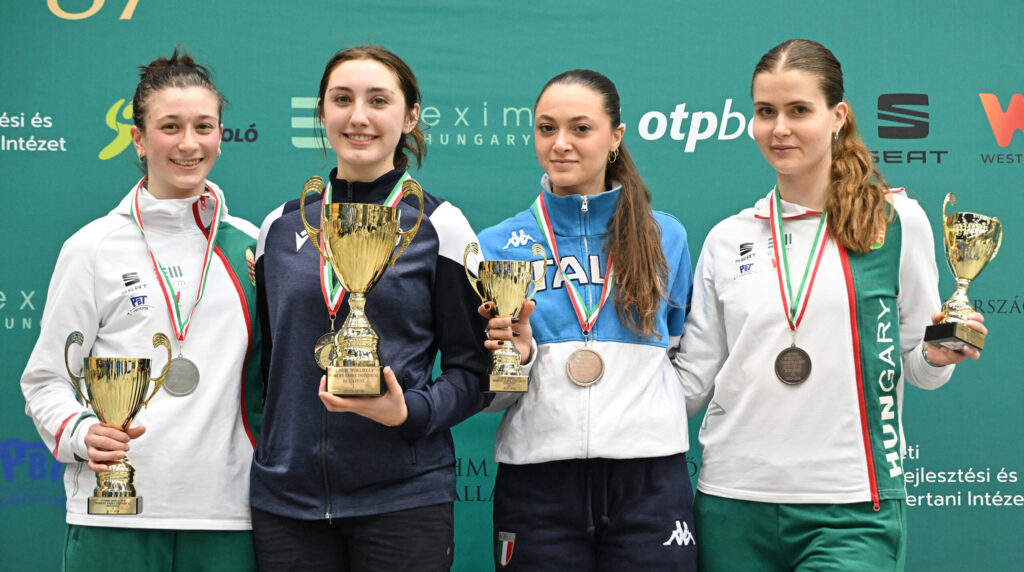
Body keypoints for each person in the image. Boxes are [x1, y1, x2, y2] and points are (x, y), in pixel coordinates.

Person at [677, 39, 987, 572]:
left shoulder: (894, 223)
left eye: (799, 110)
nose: (779, 129)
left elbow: (917, 366)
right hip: (732, 502)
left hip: (852, 509)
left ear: (837, 116)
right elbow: (692, 384)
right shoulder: (729, 238)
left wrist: (939, 355)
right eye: (766, 112)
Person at [21, 49, 262, 571]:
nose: (188, 143)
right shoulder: (93, 248)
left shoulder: (253, 247)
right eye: (169, 127)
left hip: (227, 514)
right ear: (138, 138)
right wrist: (81, 432)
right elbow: (45, 380)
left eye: (203, 127)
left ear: (221, 136)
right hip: (112, 512)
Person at [250, 45, 489, 571]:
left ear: (410, 116)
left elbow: (479, 371)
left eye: (378, 100)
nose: (358, 116)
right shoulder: (280, 228)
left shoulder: (440, 226)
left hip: (403, 499)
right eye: (342, 99)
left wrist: (411, 412)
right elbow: (269, 371)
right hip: (287, 505)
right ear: (322, 113)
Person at [477, 69, 697, 571]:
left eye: (580, 128)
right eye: (546, 128)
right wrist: (520, 359)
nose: (561, 143)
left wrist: (647, 418)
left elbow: (685, 358)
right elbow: (487, 394)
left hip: (649, 479)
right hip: (537, 482)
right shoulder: (497, 245)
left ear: (615, 137)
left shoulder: (665, 237)